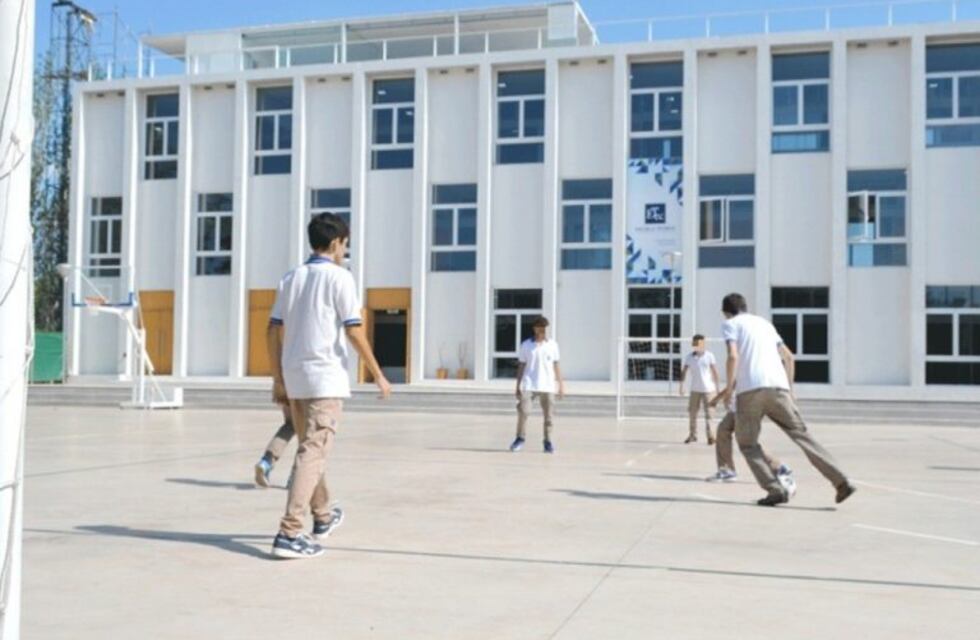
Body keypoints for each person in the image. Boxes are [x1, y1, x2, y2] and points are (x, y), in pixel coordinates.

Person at [267, 212, 392, 559]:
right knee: (314, 451)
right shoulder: (340, 278)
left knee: (310, 448)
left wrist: (277, 378)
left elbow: (272, 330)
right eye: (345, 245)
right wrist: (378, 373)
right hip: (325, 378)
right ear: (337, 242)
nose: (344, 251)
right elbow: (354, 330)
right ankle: (290, 532)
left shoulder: (291, 278)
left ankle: (322, 516)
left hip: (295, 378)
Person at [713, 292, 855, 506]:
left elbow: (733, 356)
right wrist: (790, 389)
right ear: (745, 306)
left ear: (726, 312)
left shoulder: (731, 324)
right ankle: (841, 481)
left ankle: (775, 489)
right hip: (779, 388)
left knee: (747, 443)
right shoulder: (765, 325)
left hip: (750, 390)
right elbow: (788, 356)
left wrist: (730, 389)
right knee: (803, 437)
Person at [707, 394, 796, 499]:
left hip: (744, 400)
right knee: (725, 431)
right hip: (741, 399)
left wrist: (723, 396)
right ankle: (727, 469)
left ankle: (778, 467)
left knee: (746, 442)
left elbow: (733, 379)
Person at [510, 316, 565, 454]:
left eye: (544, 328)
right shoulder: (526, 345)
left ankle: (547, 441)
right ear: (534, 328)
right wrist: (517, 386)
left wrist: (561, 385)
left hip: (547, 385)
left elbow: (556, 364)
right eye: (539, 327)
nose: (542, 330)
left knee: (549, 416)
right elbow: (521, 365)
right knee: (524, 411)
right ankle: (520, 438)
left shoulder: (552, 345)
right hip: (529, 384)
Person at [678, 334, 719, 445]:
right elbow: (684, 372)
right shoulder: (689, 357)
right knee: (692, 413)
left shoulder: (710, 356)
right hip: (695, 390)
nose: (700, 345)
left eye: (702, 343)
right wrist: (681, 386)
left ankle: (711, 437)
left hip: (709, 390)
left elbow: (715, 372)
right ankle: (693, 435)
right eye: (697, 343)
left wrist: (718, 389)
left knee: (710, 414)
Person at [253, 407, 294, 488]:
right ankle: (296, 477)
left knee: (290, 425)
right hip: (313, 397)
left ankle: (266, 462)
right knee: (310, 435)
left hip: (288, 395)